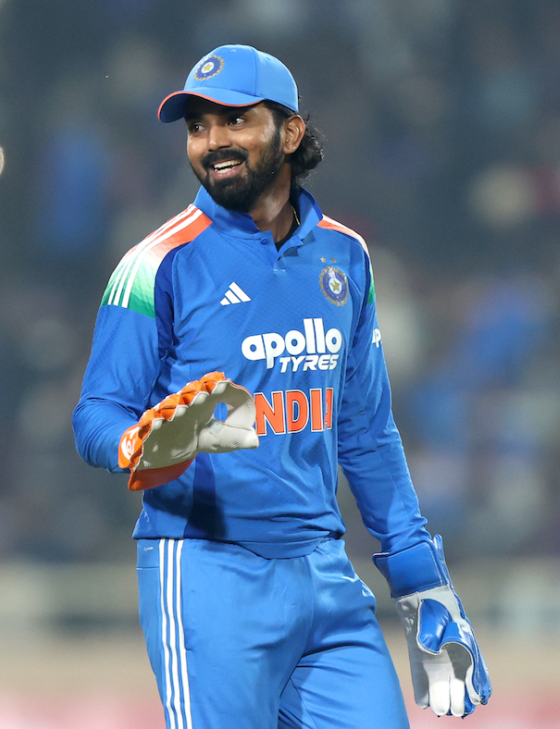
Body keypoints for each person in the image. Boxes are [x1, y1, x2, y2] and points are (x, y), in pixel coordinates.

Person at [73, 45, 491, 728]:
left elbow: (366, 432)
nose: (213, 142)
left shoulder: (346, 256)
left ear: (291, 132)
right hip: (207, 572)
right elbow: (95, 414)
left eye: (235, 120)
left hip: (325, 573)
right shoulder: (156, 264)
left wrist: (421, 581)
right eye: (198, 126)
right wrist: (139, 444)